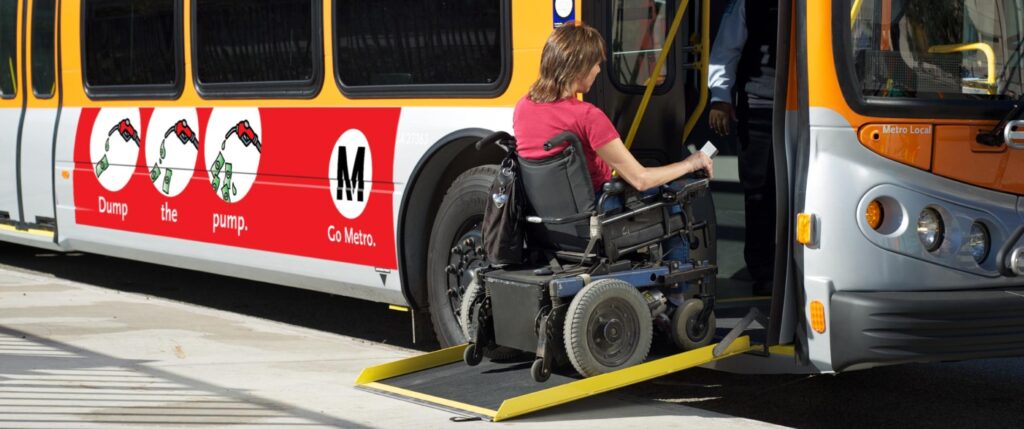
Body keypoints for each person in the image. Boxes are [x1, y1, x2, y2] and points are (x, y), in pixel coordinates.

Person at [513, 23, 713, 266]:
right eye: (596, 63)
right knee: (674, 199)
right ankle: (676, 293)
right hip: (595, 217)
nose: (598, 70)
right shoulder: (587, 116)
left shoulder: (523, 107)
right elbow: (641, 179)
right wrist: (691, 163)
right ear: (579, 67)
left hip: (548, 224)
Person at [707, 0, 777, 295]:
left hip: (813, 108)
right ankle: (764, 270)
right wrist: (721, 98)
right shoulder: (748, 4)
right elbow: (726, 51)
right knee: (759, 191)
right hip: (760, 106)